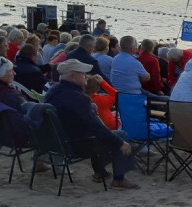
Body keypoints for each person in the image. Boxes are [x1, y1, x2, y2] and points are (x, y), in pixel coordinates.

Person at [44, 59, 139, 190]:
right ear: (73, 76)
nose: (86, 76)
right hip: (76, 144)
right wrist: (119, 143)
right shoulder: (78, 97)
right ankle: (119, 179)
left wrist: (89, 107)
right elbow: (96, 127)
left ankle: (100, 172)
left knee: (112, 137)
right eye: (82, 73)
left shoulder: (53, 91)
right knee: (121, 136)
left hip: (59, 141)